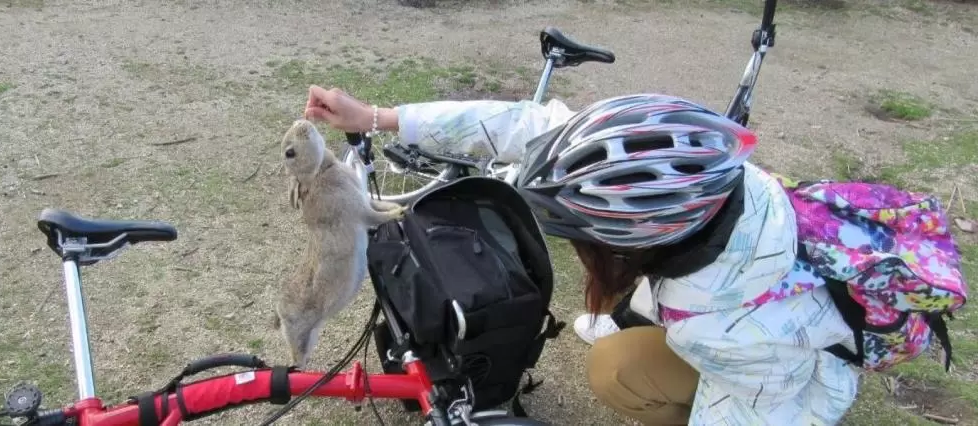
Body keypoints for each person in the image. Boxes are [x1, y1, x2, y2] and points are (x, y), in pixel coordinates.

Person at [302, 85, 860, 425]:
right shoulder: (700, 172)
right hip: (755, 293)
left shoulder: (725, 329)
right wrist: (375, 116)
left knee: (615, 372)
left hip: (794, 380)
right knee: (621, 353)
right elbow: (526, 125)